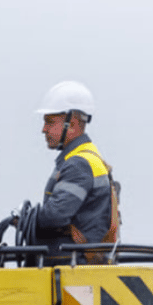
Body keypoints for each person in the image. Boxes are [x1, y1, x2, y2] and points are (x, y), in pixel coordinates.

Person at [31, 81, 120, 263]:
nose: (43, 129)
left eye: (49, 122)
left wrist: (28, 218)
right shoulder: (86, 158)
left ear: (70, 124)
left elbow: (55, 216)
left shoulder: (78, 164)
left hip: (74, 263)